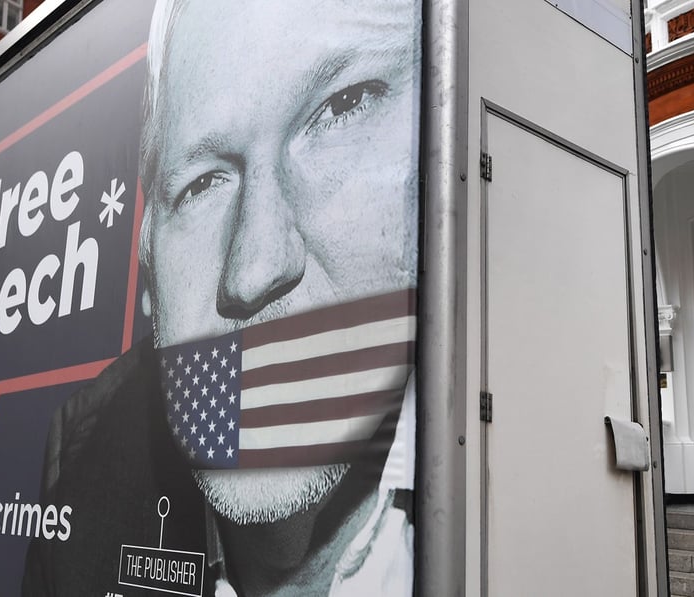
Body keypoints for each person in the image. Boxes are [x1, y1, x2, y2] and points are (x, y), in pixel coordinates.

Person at [24, 1, 421, 595]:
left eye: (343, 107)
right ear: (148, 268)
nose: (254, 268)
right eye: (202, 183)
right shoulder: (80, 493)